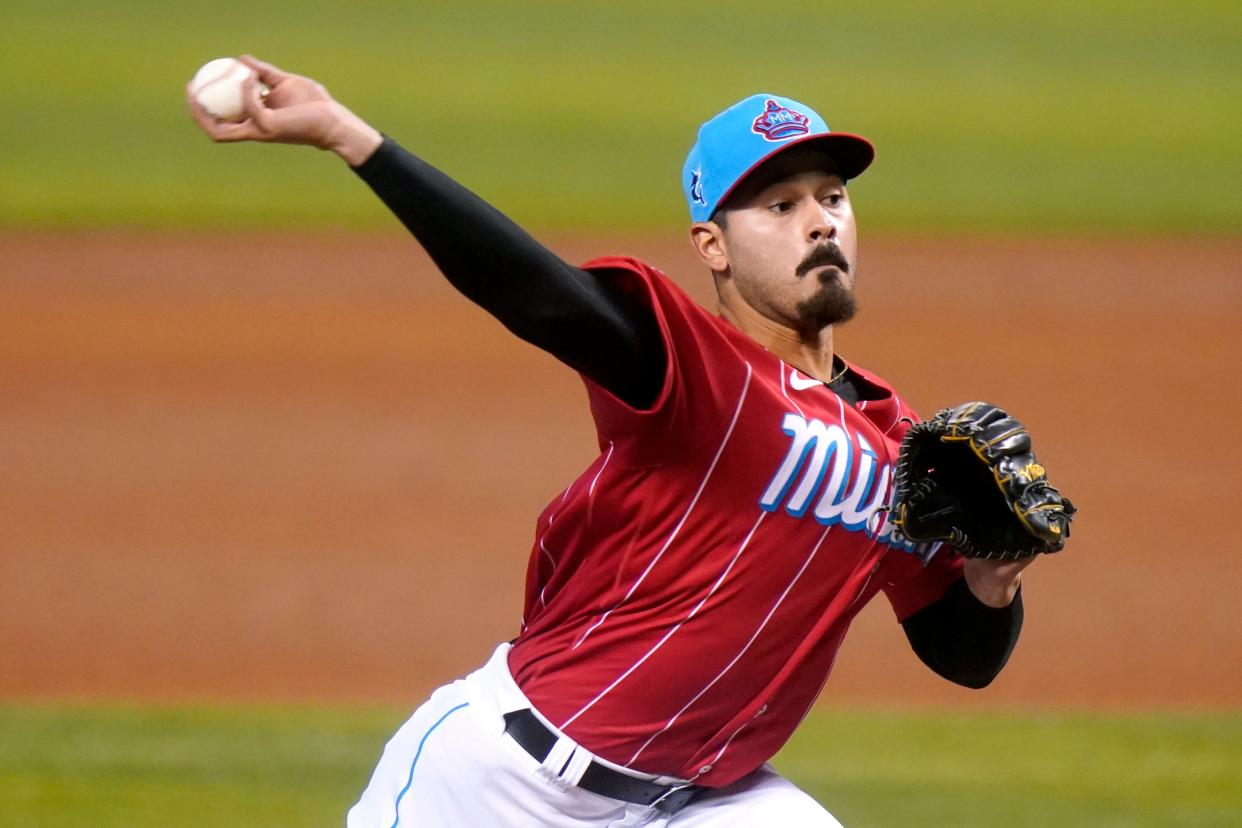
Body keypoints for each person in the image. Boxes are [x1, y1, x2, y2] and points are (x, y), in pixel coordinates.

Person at [188, 56, 1040, 827]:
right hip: (499, 783)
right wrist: (351, 137)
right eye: (780, 206)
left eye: (832, 198)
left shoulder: (906, 447)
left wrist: (992, 577)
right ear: (711, 243)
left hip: (702, 803)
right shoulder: (693, 364)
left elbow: (962, 657)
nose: (819, 222)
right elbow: (537, 294)